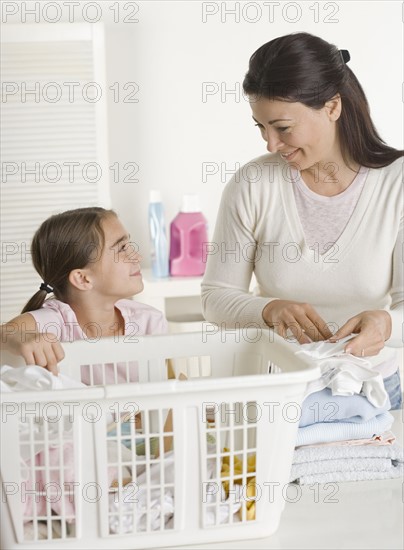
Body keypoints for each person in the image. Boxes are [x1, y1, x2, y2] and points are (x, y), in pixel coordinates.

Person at [201, 32, 403, 409]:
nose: (270, 145)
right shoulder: (253, 183)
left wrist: (386, 323)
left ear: (332, 107)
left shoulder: (397, 183)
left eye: (282, 127)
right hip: (277, 389)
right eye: (261, 127)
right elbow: (215, 299)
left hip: (368, 388)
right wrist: (267, 308)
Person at [0, 207, 168, 379]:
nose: (138, 257)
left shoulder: (149, 321)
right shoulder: (56, 323)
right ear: (82, 279)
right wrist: (17, 338)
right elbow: (4, 332)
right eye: (122, 248)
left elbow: (166, 390)